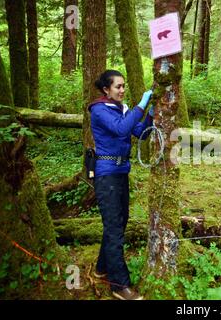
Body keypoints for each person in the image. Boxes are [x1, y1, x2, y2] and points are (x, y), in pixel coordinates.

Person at [88, 70, 154, 300]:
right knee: (115, 228)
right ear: (106, 89)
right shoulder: (98, 109)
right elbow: (120, 129)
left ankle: (101, 268)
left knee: (118, 223)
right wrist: (140, 105)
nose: (122, 90)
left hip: (121, 173)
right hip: (106, 176)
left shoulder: (123, 109)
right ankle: (119, 285)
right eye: (118, 87)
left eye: (124, 86)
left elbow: (140, 133)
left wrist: (151, 115)